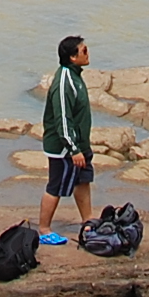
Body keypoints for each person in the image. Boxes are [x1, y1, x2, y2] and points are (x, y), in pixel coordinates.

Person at [39, 35, 93, 237]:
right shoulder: (64, 82)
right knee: (55, 186)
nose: (87, 53)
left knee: (83, 180)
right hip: (64, 148)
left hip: (79, 143)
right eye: (84, 50)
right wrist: (73, 149)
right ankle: (44, 230)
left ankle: (88, 220)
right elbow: (63, 119)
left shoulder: (76, 75)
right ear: (72, 57)